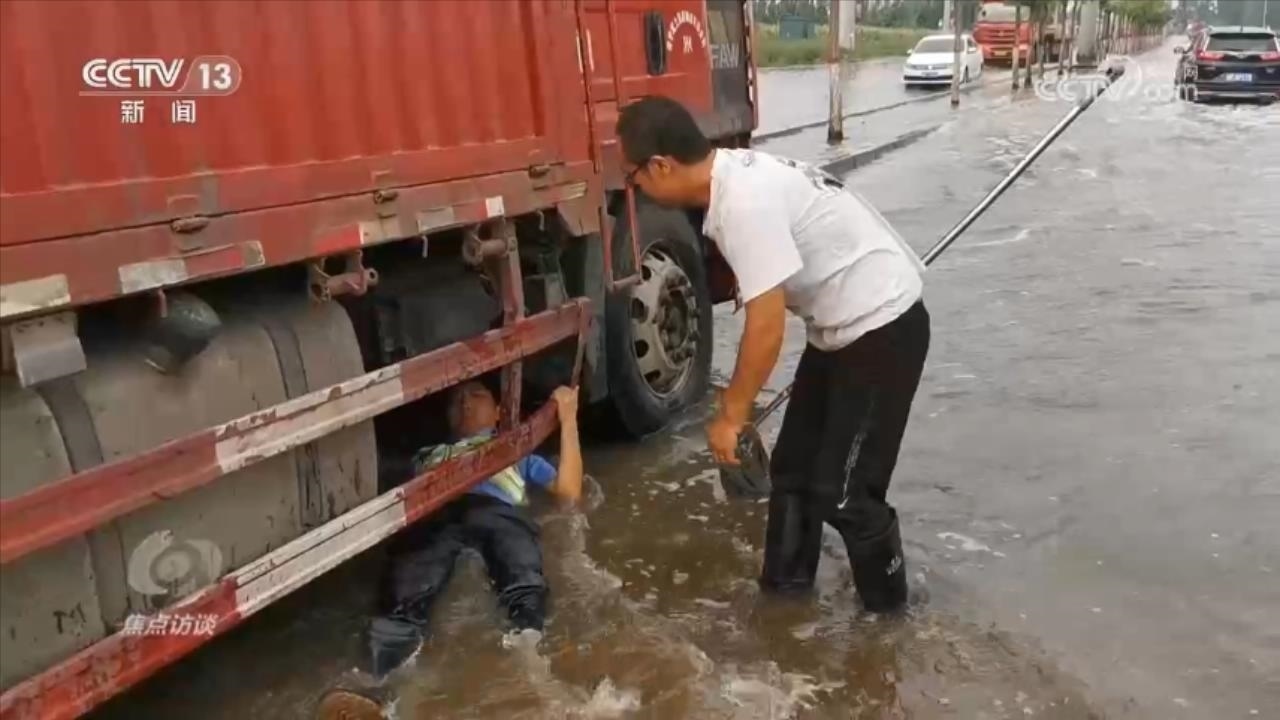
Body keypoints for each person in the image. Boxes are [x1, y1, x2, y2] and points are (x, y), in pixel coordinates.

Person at [616, 96, 930, 613]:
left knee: (846, 495)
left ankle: (892, 623)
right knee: (793, 472)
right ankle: (784, 600)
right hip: (837, 329)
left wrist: (732, 415)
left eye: (633, 179)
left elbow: (766, 328)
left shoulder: (742, 203)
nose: (635, 190)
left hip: (884, 324)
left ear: (661, 166)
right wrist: (734, 405)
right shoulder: (730, 180)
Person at [366, 381, 583, 678]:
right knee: (403, 597)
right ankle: (382, 680)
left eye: (477, 395)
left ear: (499, 413)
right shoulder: (425, 456)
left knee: (522, 582)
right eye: (458, 399)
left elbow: (569, 492)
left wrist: (569, 419)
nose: (466, 401)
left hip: (497, 514)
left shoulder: (514, 450)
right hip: (436, 517)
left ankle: (531, 658)